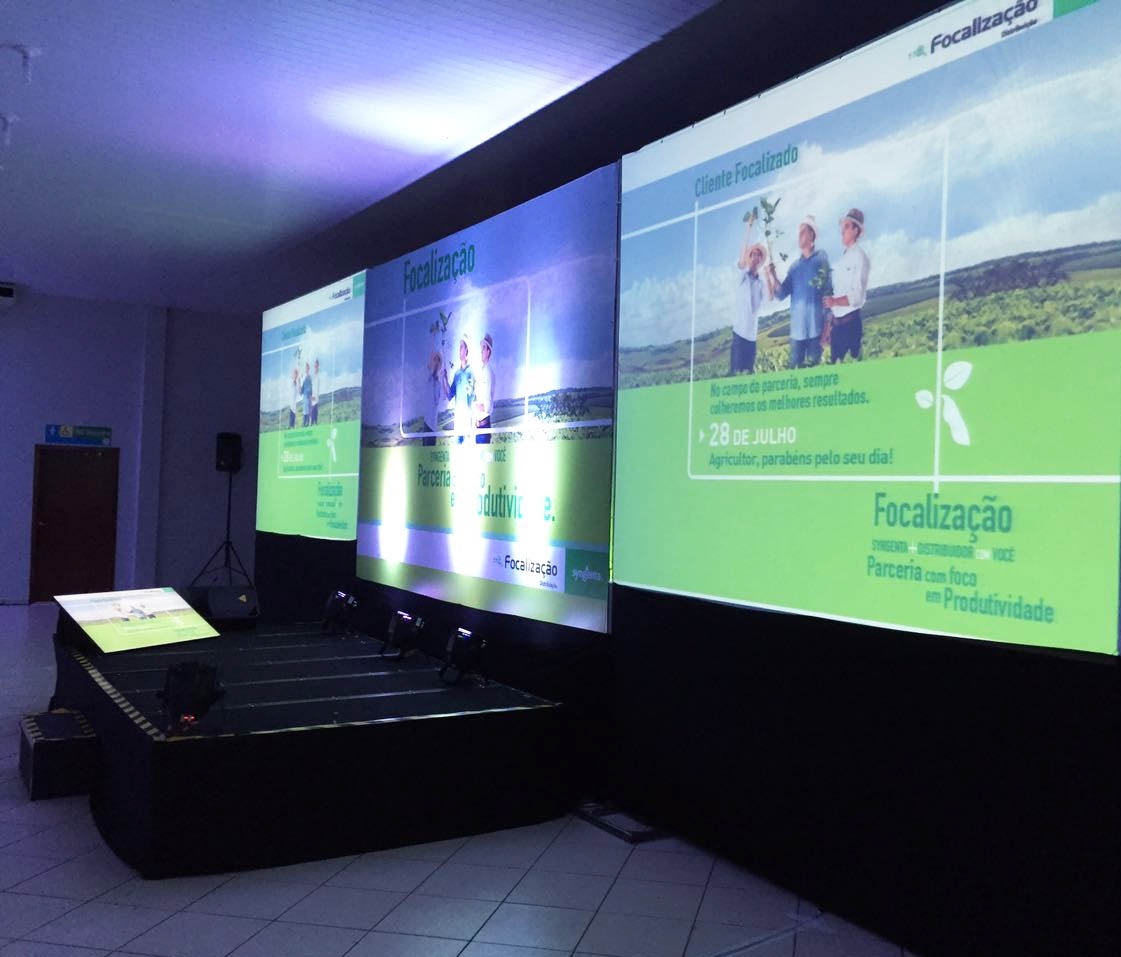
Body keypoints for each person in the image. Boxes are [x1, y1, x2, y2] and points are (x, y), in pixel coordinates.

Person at [768, 215, 831, 368]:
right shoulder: (794, 267)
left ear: (811, 235)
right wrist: (773, 276)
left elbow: (828, 292)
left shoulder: (821, 258)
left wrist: (828, 327)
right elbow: (781, 294)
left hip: (817, 331)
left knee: (814, 373)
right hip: (796, 334)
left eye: (803, 232)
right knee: (794, 373)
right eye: (799, 232)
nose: (799, 235)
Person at [823, 208, 870, 363]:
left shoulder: (860, 257)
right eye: (842, 227)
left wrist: (834, 302)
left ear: (856, 231)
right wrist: (829, 327)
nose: (842, 231)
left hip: (850, 326)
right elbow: (837, 294)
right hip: (837, 328)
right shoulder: (843, 259)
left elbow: (858, 297)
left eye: (847, 227)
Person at [732, 242, 773, 374]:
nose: (756, 257)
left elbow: (770, 298)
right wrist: (748, 230)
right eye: (753, 254)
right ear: (748, 258)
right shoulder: (742, 277)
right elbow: (741, 263)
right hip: (739, 334)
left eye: (758, 255)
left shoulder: (761, 283)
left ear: (761, 259)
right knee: (735, 374)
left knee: (748, 372)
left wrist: (769, 276)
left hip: (752, 336)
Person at [441, 337, 475, 443]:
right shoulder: (457, 374)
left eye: (461, 347)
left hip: (467, 420)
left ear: (466, 350)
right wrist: (444, 379)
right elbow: (449, 395)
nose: (459, 350)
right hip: (458, 421)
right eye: (459, 347)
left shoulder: (471, 372)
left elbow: (473, 395)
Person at [474, 333, 495, 444]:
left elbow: (487, 406)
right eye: (481, 348)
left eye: (483, 348)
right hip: (479, 427)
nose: (481, 351)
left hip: (483, 426)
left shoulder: (488, 372)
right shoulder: (483, 371)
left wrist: (475, 405)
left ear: (488, 351)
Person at [423, 350, 443, 446]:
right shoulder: (427, 378)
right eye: (434, 359)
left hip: (433, 425)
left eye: (438, 360)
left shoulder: (438, 383)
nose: (436, 362)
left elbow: (437, 401)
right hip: (427, 422)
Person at [300, 362, 313, 426]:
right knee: (305, 409)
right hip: (305, 395)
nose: (307, 369)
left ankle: (308, 422)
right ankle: (304, 422)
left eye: (308, 368)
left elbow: (311, 387)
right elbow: (302, 388)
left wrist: (310, 395)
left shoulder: (310, 377)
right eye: (306, 368)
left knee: (308, 409)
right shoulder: (303, 377)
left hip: (309, 395)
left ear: (309, 369)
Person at [309, 358, 321, 424]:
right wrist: (311, 395)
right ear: (314, 366)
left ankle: (315, 423)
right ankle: (311, 423)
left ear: (318, 366)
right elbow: (310, 386)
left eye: (317, 365)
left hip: (317, 396)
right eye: (315, 366)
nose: (316, 367)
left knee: (316, 410)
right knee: (313, 410)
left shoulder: (319, 374)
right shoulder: (312, 375)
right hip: (313, 396)